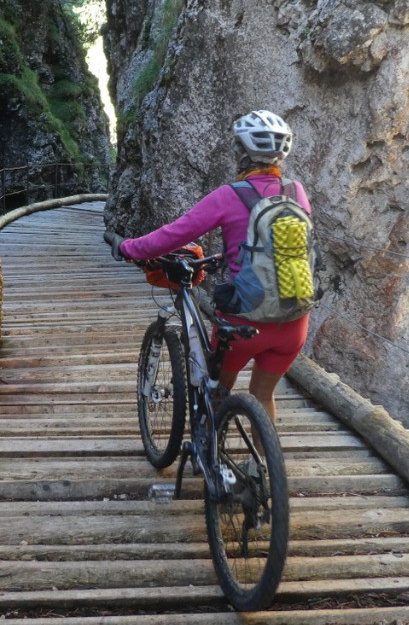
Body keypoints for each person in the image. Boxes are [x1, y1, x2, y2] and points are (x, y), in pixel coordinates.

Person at [107, 109, 312, 425]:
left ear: (242, 152)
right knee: (263, 394)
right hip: (294, 320)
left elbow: (173, 234)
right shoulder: (296, 191)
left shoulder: (228, 196)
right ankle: (263, 467)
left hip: (245, 322)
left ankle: (213, 462)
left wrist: (128, 247)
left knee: (215, 392)